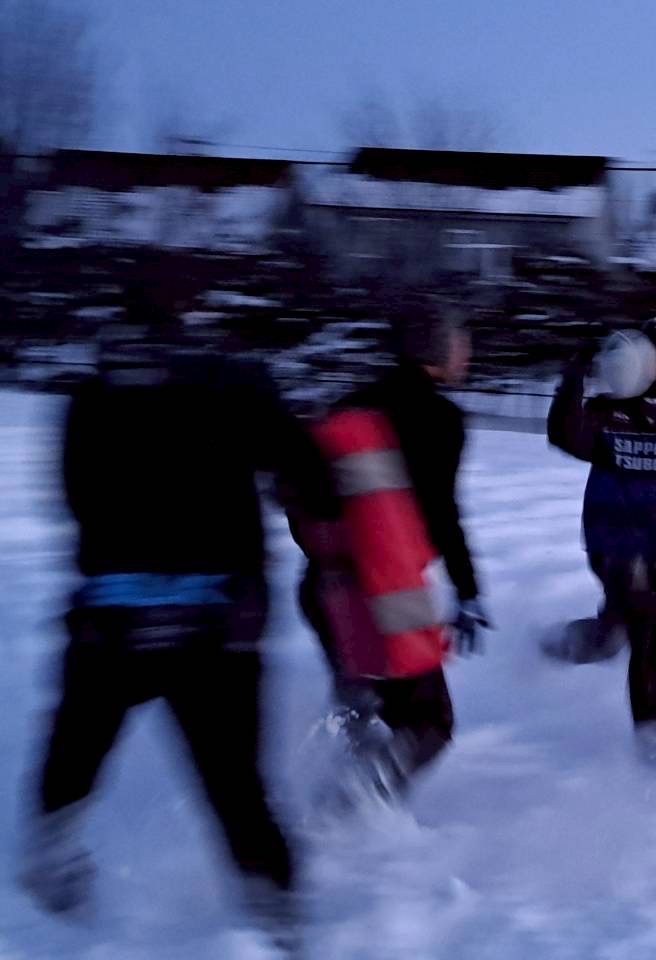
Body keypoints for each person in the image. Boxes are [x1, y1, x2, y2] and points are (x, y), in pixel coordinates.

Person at [20, 271, 333, 951]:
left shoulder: (90, 395)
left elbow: (73, 497)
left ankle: (54, 850)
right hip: (216, 624)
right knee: (236, 786)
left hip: (112, 620)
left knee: (75, 752)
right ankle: (279, 922)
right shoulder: (234, 383)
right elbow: (313, 477)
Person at [296, 299, 488, 802]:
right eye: (460, 342)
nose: (466, 353)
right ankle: (348, 810)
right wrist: (468, 589)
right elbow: (442, 514)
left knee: (362, 706)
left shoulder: (349, 406)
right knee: (429, 723)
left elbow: (307, 501)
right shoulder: (440, 419)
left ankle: (342, 803)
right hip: (386, 592)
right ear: (437, 349)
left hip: (323, 586)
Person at [547, 315, 656, 755]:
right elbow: (564, 435)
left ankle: (560, 644)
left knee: (616, 634)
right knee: (650, 635)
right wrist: (575, 374)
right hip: (616, 543)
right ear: (641, 355)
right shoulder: (609, 411)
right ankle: (651, 747)